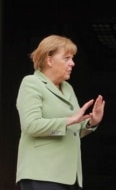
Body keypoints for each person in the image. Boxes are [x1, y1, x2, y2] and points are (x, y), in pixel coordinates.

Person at [15, 34, 105, 190]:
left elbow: (72, 130)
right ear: (49, 60)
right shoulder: (31, 83)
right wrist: (68, 120)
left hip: (69, 176)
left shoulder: (67, 88)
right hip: (42, 174)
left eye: (72, 58)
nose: (72, 63)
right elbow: (30, 125)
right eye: (67, 58)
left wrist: (91, 122)